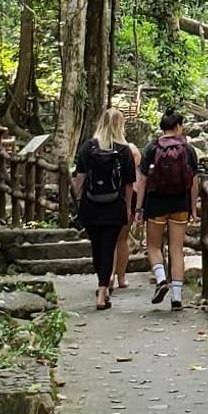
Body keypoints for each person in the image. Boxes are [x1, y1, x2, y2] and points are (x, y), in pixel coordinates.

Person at [72, 108, 136, 311]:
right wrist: (127, 208)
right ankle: (102, 291)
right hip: (114, 206)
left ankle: (102, 285)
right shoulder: (124, 150)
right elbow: (128, 185)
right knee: (109, 246)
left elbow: (79, 178)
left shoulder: (87, 148)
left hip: (91, 205)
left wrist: (79, 198)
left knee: (97, 248)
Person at [135, 109, 199, 311]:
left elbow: (143, 180)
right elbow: (193, 181)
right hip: (180, 204)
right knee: (177, 248)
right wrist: (193, 207)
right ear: (178, 127)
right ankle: (177, 297)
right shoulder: (187, 149)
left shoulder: (152, 147)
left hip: (156, 204)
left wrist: (139, 208)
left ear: (162, 127)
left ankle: (161, 279)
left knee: (153, 246)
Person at [105, 107, 142, 289]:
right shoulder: (131, 150)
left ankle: (108, 275)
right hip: (125, 198)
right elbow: (135, 179)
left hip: (102, 198)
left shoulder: (95, 147)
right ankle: (121, 277)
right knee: (122, 239)